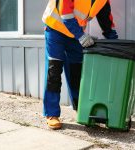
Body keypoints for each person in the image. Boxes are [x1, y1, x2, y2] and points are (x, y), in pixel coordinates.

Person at [42, 0, 112, 130]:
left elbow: (104, 16)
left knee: (77, 72)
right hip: (55, 29)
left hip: (74, 34)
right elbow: (66, 13)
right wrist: (81, 36)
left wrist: (114, 41)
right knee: (54, 71)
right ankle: (51, 114)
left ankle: (82, 111)